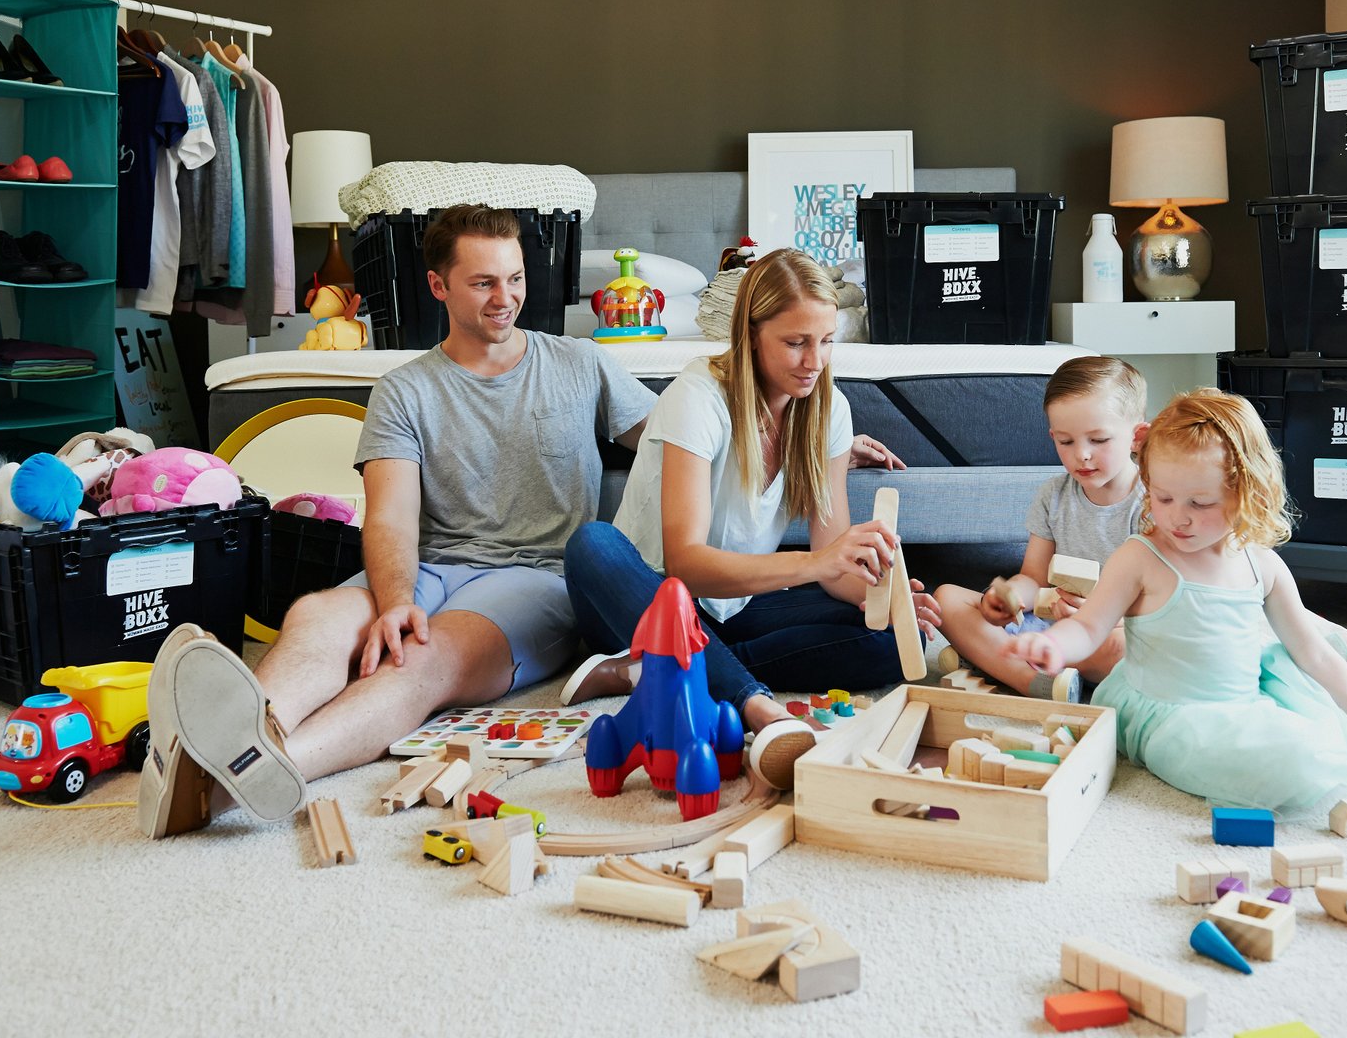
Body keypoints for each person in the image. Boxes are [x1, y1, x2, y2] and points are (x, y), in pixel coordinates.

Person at [137, 204, 657, 837]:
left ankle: (232, 784)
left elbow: (673, 448)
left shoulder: (581, 363)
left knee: (418, 661)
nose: (506, 298)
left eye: (515, 278)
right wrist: (395, 602)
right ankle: (244, 735)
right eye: (483, 283)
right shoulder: (405, 390)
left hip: (532, 579)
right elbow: (390, 515)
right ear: (438, 285)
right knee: (317, 616)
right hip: (428, 566)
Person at [1005, 387, 1347, 817]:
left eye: (1201, 503)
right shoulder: (1141, 557)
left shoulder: (1262, 564)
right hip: (1177, 715)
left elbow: (1319, 658)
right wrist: (1054, 644)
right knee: (1298, 759)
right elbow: (1090, 627)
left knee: (1330, 650)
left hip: (1245, 695)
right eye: (1163, 496)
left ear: (1245, 493)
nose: (1178, 517)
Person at [560, 248, 938, 790]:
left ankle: (655, 673)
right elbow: (686, 566)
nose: (814, 361)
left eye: (827, 341)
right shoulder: (698, 397)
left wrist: (885, 597)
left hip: (733, 605)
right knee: (592, 544)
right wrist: (816, 563)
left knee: (898, 643)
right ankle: (755, 705)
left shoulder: (828, 408)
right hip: (643, 604)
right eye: (796, 342)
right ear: (752, 333)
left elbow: (836, 562)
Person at [934, 356, 1147, 699]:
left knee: (1125, 648)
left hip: (1109, 631)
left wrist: (1098, 616)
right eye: (1066, 441)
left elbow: (1157, 604)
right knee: (946, 599)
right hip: (1048, 626)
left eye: (1098, 440)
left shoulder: (1152, 503)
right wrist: (1010, 599)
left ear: (1136, 437)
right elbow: (1034, 577)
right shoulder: (1054, 495)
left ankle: (994, 660)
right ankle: (1032, 679)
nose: (1082, 455)